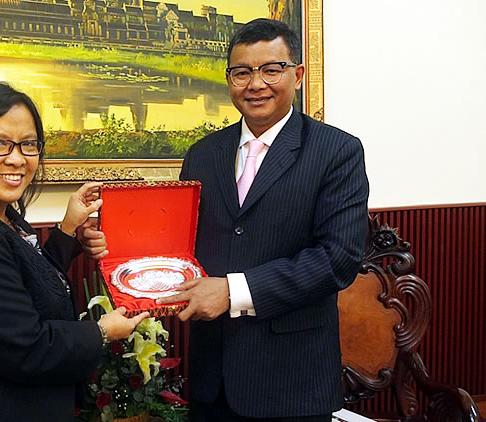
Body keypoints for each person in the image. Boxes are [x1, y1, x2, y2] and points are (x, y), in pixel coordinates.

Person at [156, 18, 370, 421]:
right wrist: (120, 250)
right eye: (242, 72)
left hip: (291, 382)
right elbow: (182, 246)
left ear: (298, 75)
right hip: (211, 377)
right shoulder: (203, 154)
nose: (256, 84)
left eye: (271, 69)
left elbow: (337, 260)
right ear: (229, 79)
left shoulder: (336, 151)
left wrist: (233, 291)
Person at [0, 82, 148, 421]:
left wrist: (68, 229)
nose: (17, 159)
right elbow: (26, 348)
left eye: (28, 144)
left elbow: (26, 283)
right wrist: (102, 332)